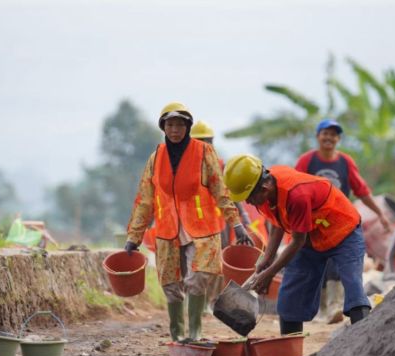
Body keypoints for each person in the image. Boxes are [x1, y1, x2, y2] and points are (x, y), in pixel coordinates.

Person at [125, 102, 253, 343]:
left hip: (201, 229)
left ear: (188, 127)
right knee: (170, 285)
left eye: (180, 125)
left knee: (198, 278)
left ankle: (194, 332)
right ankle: (177, 334)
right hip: (167, 230)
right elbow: (145, 200)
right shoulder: (156, 157)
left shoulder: (204, 153)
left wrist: (236, 223)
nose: (175, 130)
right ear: (163, 127)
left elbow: (221, 190)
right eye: (170, 125)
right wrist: (134, 236)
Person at [223, 154, 370, 336]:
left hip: (342, 230)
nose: (248, 202)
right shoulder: (267, 193)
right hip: (311, 237)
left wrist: (269, 274)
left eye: (249, 197)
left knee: (353, 284)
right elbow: (278, 223)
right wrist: (266, 259)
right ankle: (290, 353)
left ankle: (364, 341)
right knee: (291, 296)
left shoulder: (296, 195)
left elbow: (297, 241)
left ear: (264, 187)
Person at [295, 118, 390, 323]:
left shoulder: (345, 162)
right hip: (312, 222)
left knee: (337, 261)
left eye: (334, 134)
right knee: (314, 263)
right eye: (325, 133)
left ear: (338, 139)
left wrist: (380, 214)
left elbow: (362, 191)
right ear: (318, 136)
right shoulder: (307, 161)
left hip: (339, 221)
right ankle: (318, 310)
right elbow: (295, 187)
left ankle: (335, 307)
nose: (329, 138)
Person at [190, 120, 256, 248]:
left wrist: (243, 215)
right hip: (194, 221)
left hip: (219, 218)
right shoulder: (187, 168)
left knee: (221, 251)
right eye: (201, 141)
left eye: (209, 141)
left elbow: (230, 194)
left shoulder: (220, 166)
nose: (206, 145)